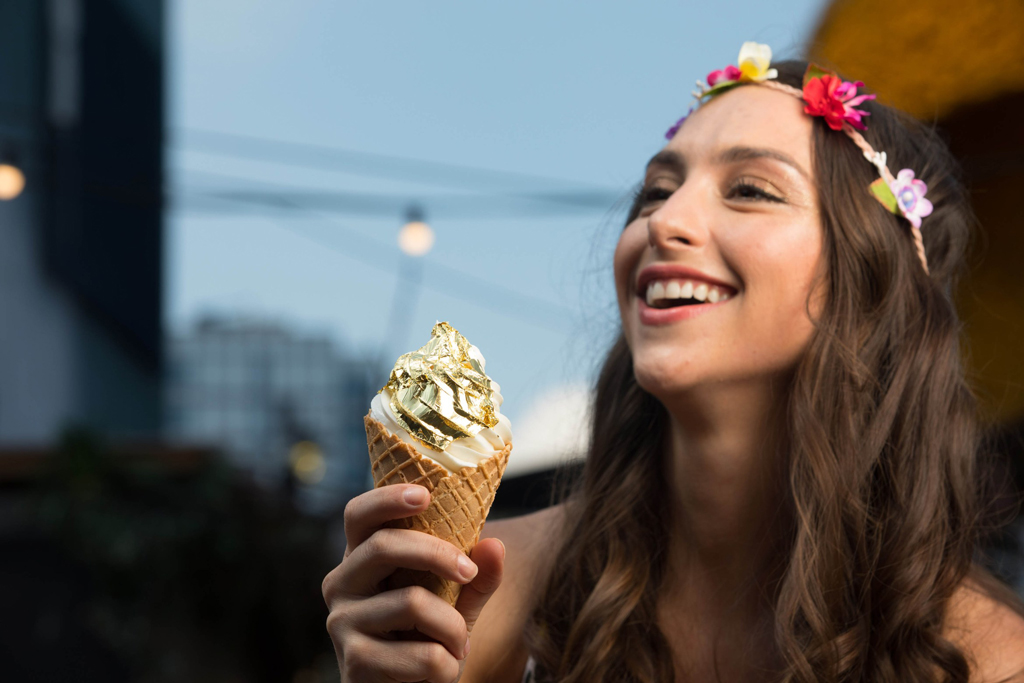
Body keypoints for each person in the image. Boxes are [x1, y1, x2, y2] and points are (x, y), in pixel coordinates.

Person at [322, 46, 1024, 683]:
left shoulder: (994, 659)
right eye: (658, 190)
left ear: (871, 282)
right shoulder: (484, 594)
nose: (662, 221)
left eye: (750, 189)